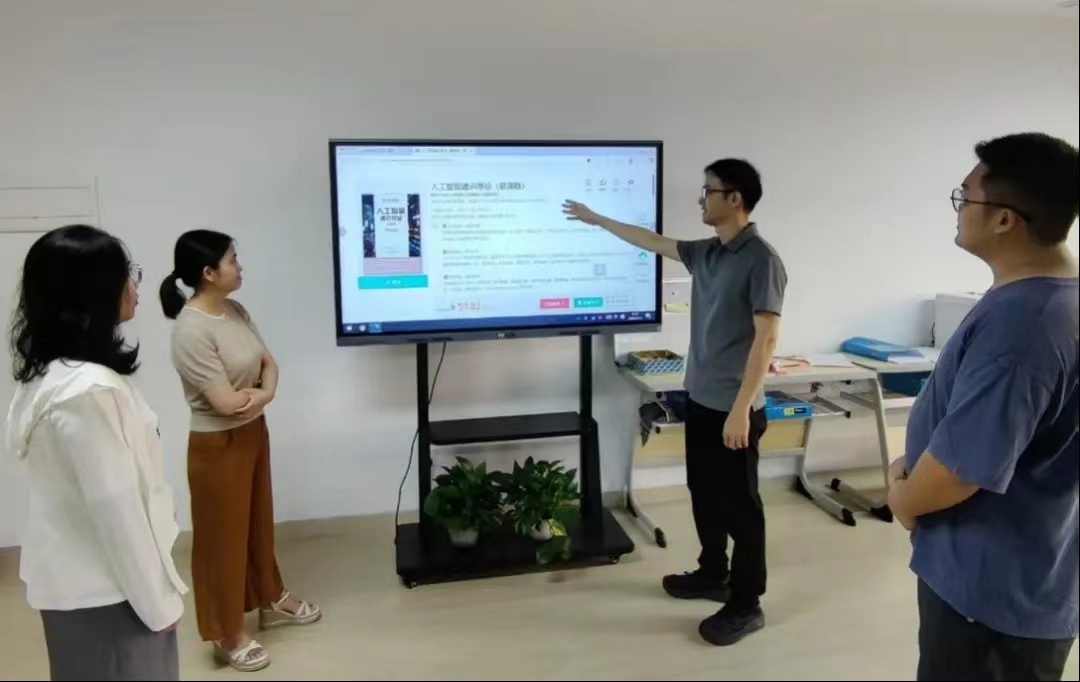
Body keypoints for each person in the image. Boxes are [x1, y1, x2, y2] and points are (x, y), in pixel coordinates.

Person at [563, 159, 787, 646]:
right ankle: (713, 573)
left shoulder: (762, 260)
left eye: (709, 191)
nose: (701, 199)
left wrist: (741, 409)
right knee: (703, 493)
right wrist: (597, 219)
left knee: (741, 509)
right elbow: (651, 241)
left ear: (735, 199)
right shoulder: (708, 252)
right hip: (700, 399)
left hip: (735, 410)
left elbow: (767, 339)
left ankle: (746, 603)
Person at [888, 132, 1079, 681]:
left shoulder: (1023, 325)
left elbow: (960, 470)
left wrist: (904, 498)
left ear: (1004, 220)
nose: (958, 208)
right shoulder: (1050, 301)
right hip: (1026, 574)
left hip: (988, 597)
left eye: (965, 197)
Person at [5, 225, 187, 681]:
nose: (135, 285)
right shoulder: (88, 392)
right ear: (94, 292)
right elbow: (116, 510)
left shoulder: (49, 376)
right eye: (127, 274)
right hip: (111, 595)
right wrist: (159, 605)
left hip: (81, 587)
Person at [159, 230, 321, 672]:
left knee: (257, 524)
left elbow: (270, 365)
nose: (240, 266)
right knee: (221, 540)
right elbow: (224, 404)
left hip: (252, 431)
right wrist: (264, 394)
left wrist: (259, 396)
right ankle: (226, 631)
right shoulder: (190, 330)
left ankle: (270, 597)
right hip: (217, 444)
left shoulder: (235, 311)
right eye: (232, 260)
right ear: (209, 273)